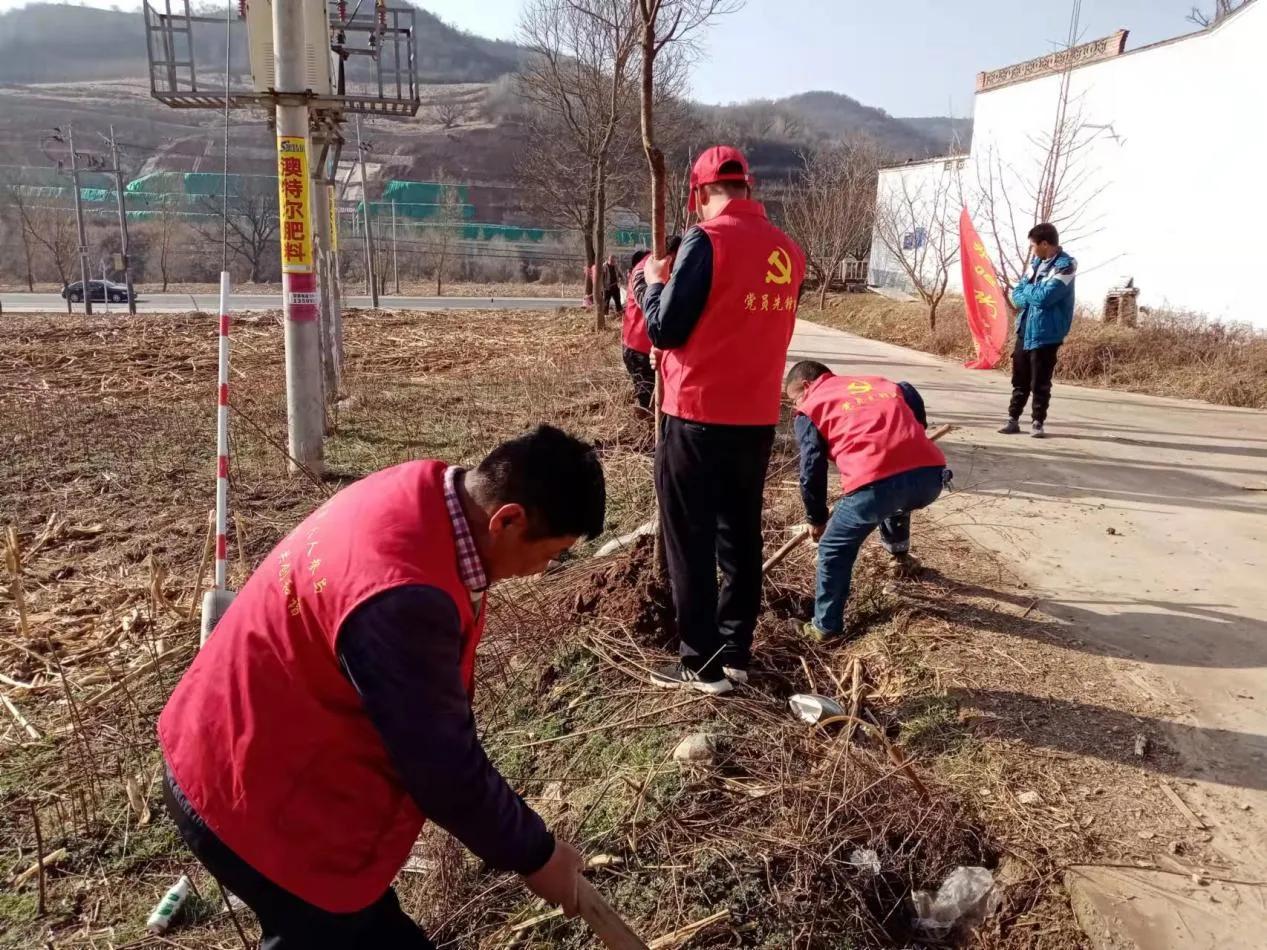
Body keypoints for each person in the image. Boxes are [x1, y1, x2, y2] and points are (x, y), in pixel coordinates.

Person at [158, 426, 606, 948]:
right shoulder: (404, 595)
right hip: (251, 797)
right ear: (508, 520)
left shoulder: (423, 492)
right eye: (550, 554)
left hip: (240, 745)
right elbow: (443, 769)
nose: (542, 571)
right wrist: (537, 855)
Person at [641, 145, 806, 694]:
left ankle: (702, 665)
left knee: (689, 538)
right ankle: (736, 652)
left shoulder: (705, 240)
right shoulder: (788, 250)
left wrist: (647, 283)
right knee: (740, 536)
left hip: (696, 414)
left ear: (700, 193)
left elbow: (665, 329)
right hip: (757, 419)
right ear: (748, 189)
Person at [785, 361, 948, 641]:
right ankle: (900, 556)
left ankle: (825, 628)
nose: (795, 406)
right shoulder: (881, 383)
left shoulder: (811, 407)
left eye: (794, 399)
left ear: (806, 386)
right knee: (897, 499)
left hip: (876, 488)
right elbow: (909, 393)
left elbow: (811, 466)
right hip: (931, 478)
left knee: (834, 548)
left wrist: (817, 518)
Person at [999, 223, 1077, 438]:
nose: (1032, 250)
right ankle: (1013, 419)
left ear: (1044, 244)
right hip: (1025, 329)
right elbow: (1017, 295)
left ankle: (1037, 422)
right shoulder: (1035, 264)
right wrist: (1032, 293)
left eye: (1033, 245)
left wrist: (1030, 292)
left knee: (1040, 381)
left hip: (1046, 333)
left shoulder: (1065, 266)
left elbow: (1045, 298)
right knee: (1019, 378)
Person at [623, 237, 682, 412]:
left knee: (661, 400)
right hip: (639, 349)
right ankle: (645, 435)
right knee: (647, 401)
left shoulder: (665, 269)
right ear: (670, 256)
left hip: (658, 348)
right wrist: (660, 281)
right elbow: (650, 305)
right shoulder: (644, 270)